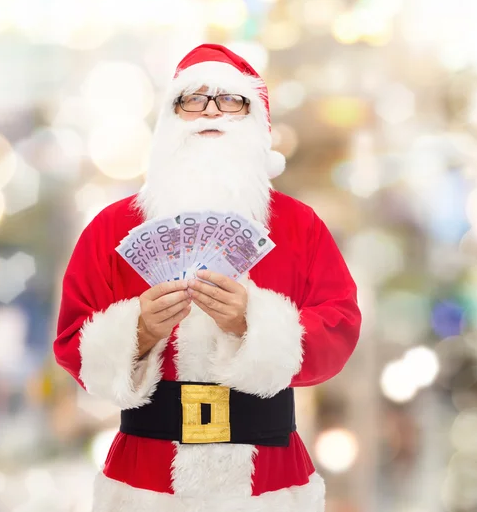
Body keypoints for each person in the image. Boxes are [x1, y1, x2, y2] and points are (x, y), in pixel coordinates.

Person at [54, 44, 362, 512]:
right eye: (193, 99)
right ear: (170, 117)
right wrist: (138, 332)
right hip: (145, 479)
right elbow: (72, 341)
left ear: (255, 119)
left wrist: (254, 325)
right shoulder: (113, 229)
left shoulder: (299, 227)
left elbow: (339, 328)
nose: (210, 112)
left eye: (230, 100)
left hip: (270, 479)